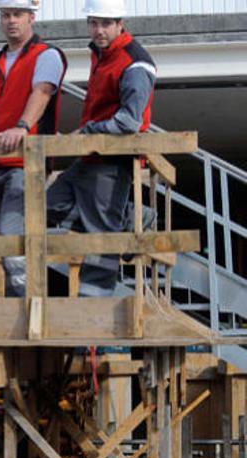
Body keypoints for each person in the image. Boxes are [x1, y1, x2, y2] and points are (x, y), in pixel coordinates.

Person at [47, 0, 156, 296]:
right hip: (91, 155)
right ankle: (129, 216)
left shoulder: (134, 62)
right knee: (46, 206)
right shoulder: (103, 56)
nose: (98, 30)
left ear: (120, 24)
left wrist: (87, 131)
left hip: (114, 159)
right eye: (93, 23)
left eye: (105, 24)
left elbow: (129, 121)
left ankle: (92, 313)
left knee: (101, 239)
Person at [0, 0, 67, 296]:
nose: (11, 21)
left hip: (25, 165)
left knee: (11, 236)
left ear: (31, 17)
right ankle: (25, 301)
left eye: (17, 15)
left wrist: (22, 126)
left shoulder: (47, 56)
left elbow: (42, 93)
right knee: (7, 242)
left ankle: (29, 303)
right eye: (5, 15)